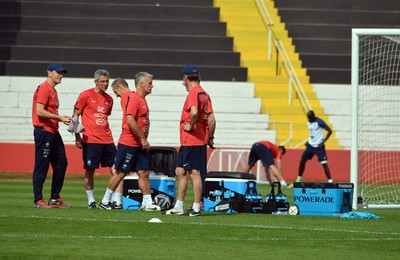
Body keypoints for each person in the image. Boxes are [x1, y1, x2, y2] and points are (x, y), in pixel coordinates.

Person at [99, 73, 157, 211]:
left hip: (140, 144)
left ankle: (147, 202)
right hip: (129, 142)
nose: (152, 85)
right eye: (150, 83)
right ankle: (105, 201)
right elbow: (130, 120)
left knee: (143, 172)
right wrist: (143, 138)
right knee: (120, 172)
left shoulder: (141, 99)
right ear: (141, 84)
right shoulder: (133, 98)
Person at [71, 69, 122, 209]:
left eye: (107, 82)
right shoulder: (85, 95)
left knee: (116, 169)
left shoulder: (109, 99)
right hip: (90, 140)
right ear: (95, 81)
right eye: (102, 81)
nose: (105, 84)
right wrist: (77, 137)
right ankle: (91, 201)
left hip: (107, 139)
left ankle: (116, 200)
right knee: (90, 170)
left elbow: (104, 118)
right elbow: (75, 117)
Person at [166, 64, 212, 217]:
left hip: (191, 140)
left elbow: (193, 112)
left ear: (186, 78)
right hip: (195, 140)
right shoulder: (205, 94)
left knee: (194, 174)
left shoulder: (194, 92)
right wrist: (210, 137)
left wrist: (191, 126)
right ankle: (179, 205)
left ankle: (196, 208)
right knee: (180, 171)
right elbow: (212, 119)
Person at [31, 62, 71, 208]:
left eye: (62, 73)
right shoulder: (44, 88)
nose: (61, 75)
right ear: (49, 73)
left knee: (61, 163)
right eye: (58, 72)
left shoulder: (53, 91)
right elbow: (39, 111)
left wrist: (61, 118)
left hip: (53, 131)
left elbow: (48, 112)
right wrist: (59, 117)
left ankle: (55, 198)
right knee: (42, 165)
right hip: (44, 131)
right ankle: (38, 200)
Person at [295, 110, 333, 183]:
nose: (309, 120)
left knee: (324, 164)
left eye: (310, 118)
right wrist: (308, 140)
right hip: (310, 145)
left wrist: (322, 142)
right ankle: (298, 180)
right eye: (308, 118)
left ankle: (330, 181)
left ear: (313, 116)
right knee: (302, 161)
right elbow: (312, 133)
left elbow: (330, 131)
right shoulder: (309, 122)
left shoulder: (320, 122)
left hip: (319, 147)